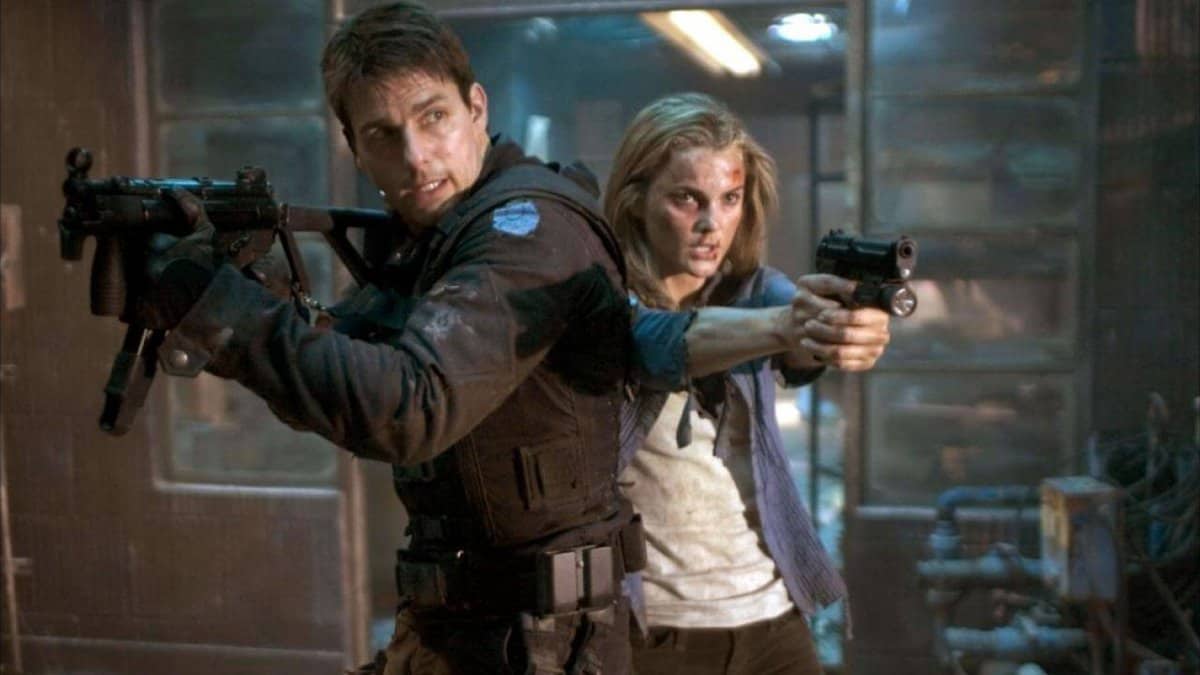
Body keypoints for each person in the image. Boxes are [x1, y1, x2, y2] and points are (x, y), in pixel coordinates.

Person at [137, 3, 638, 673]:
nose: (415, 156)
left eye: (434, 118)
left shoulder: (527, 230)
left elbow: (407, 408)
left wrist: (227, 309)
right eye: (383, 134)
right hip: (461, 630)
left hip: (545, 644)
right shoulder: (434, 239)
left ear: (476, 108)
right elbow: (350, 379)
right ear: (356, 147)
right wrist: (256, 289)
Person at [605, 93, 892, 675]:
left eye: (729, 199)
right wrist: (789, 325)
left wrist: (844, 328)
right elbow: (656, 342)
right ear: (637, 201)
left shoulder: (756, 289)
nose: (711, 224)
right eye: (687, 199)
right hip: (656, 630)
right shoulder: (605, 300)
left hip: (771, 617)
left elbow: (799, 334)